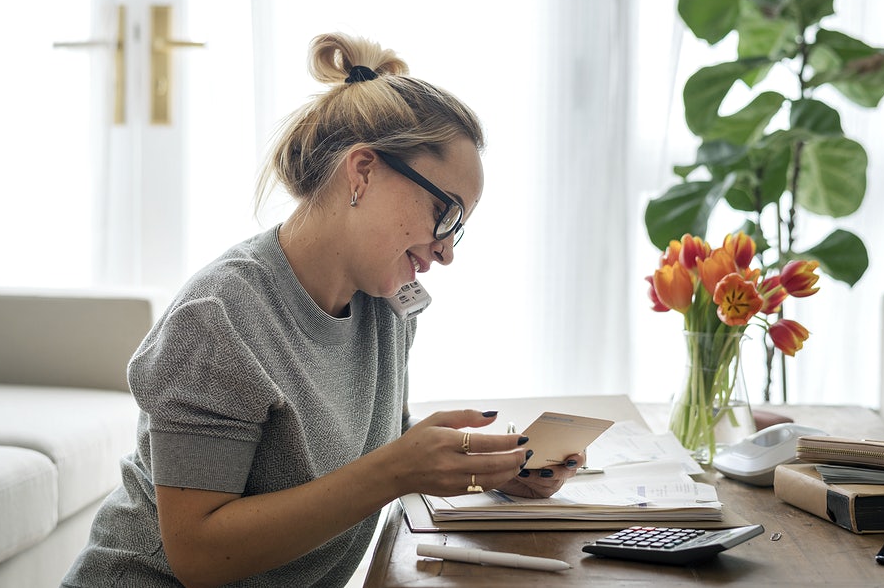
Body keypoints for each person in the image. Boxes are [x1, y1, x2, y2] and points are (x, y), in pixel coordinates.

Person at [63, 32, 585, 588]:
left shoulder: (386, 306)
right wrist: (398, 469)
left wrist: (490, 474)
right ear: (362, 171)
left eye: (459, 227)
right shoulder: (218, 319)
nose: (447, 250)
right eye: (444, 212)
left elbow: (359, 447)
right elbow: (197, 554)